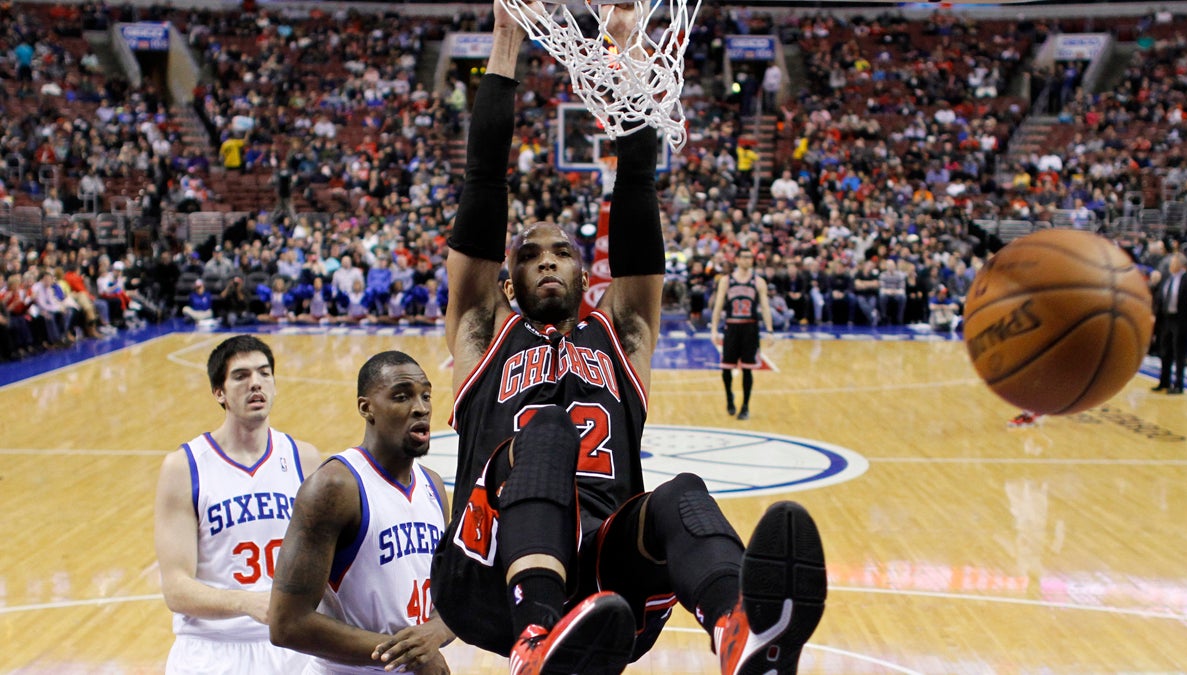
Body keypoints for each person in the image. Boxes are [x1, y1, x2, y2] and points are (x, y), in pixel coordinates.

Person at [429, 5, 826, 675]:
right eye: (531, 254)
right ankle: (534, 637)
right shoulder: (481, 331)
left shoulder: (623, 331)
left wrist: (627, 53)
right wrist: (504, 39)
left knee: (681, 493)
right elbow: (484, 182)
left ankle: (740, 632)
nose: (548, 260)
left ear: (589, 274)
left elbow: (636, 183)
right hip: (488, 574)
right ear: (505, 280)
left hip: (606, 581)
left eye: (563, 252)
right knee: (547, 432)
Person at [269, 351, 454, 674]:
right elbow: (287, 623)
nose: (421, 407)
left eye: (425, 395)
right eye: (401, 396)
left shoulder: (433, 487)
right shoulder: (335, 487)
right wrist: (411, 652)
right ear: (365, 407)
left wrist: (434, 634)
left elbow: (452, 596)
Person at [153, 335, 322, 674]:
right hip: (212, 651)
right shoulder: (184, 467)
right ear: (219, 392)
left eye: (264, 373)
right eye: (241, 376)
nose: (255, 383)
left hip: (291, 648)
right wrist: (246, 602)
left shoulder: (304, 458)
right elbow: (175, 588)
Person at [710, 248, 774, 420]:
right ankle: (729, 397)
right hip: (731, 327)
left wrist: (769, 330)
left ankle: (745, 406)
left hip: (750, 328)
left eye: (750, 257)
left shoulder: (758, 282)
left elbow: (765, 307)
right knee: (726, 369)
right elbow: (718, 306)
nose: (748, 260)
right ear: (737, 259)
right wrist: (714, 329)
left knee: (747, 370)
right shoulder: (726, 280)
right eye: (744, 257)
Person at [1152, 251, 1187, 395]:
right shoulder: (1166, 277)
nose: (1171, 264)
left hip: (1180, 321)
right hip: (1166, 319)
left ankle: (1178, 384)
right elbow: (1159, 296)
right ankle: (1163, 381)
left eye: (1174, 262)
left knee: (1179, 354)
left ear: (1181, 264)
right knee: (1164, 352)